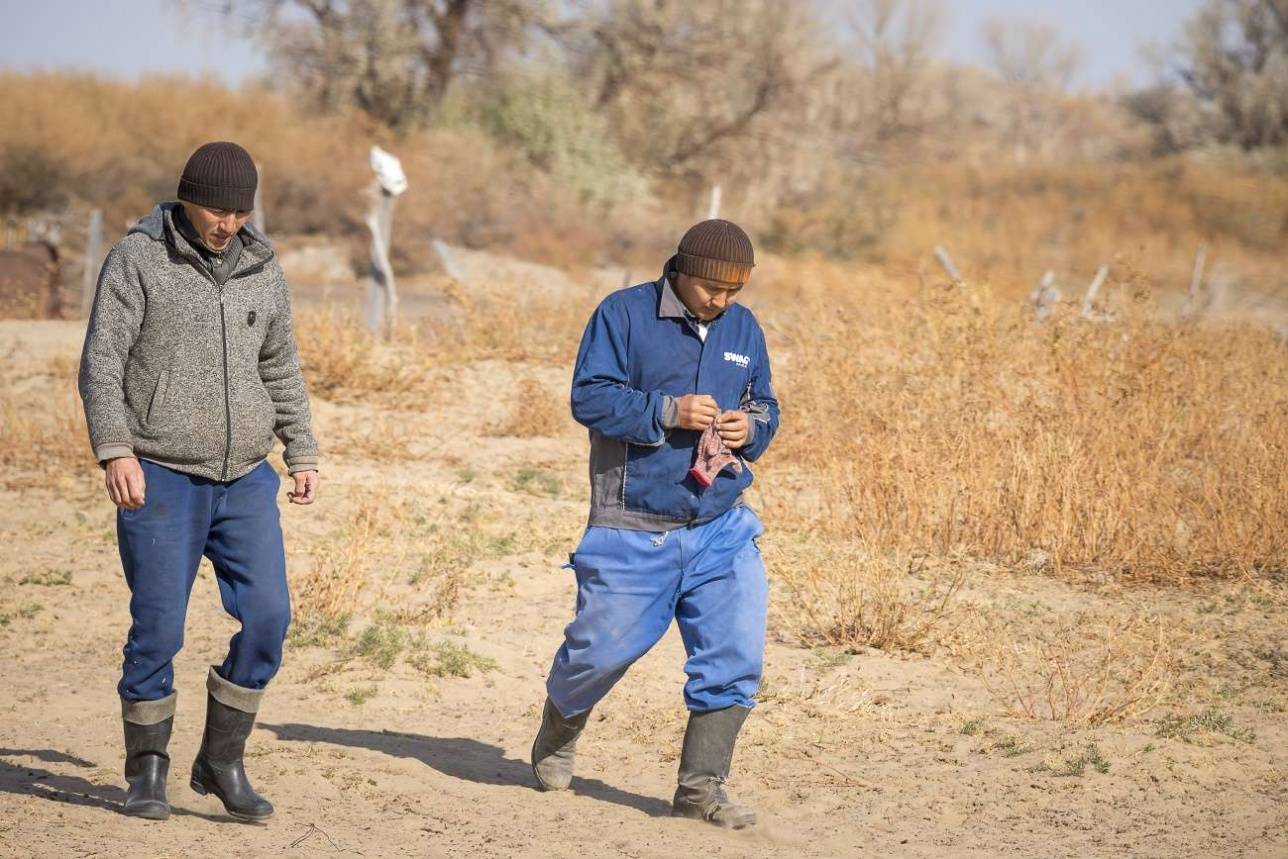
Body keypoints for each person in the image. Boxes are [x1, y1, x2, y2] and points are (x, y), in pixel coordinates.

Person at [78, 141, 320, 821]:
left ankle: (220, 758)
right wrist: (115, 449)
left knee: (270, 613)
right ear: (187, 196)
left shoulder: (262, 268)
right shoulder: (137, 258)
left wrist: (302, 450)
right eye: (218, 209)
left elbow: (281, 366)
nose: (229, 223)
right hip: (157, 474)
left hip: (245, 477)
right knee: (158, 625)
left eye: (241, 211)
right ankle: (146, 769)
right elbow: (102, 363)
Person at [531, 219, 780, 829]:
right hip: (632, 524)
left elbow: (765, 402)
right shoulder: (623, 314)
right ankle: (561, 723)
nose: (721, 301)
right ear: (680, 269)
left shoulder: (743, 328)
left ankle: (701, 790)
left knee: (735, 656)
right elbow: (588, 397)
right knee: (599, 654)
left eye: (734, 290)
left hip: (721, 523)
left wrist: (754, 427)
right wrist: (666, 412)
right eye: (710, 288)